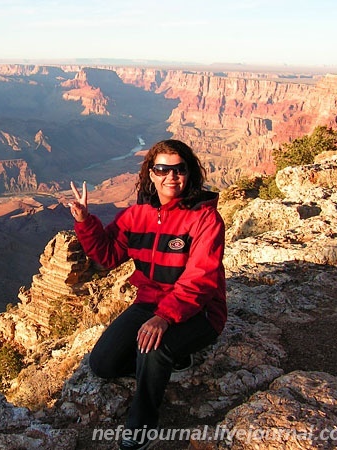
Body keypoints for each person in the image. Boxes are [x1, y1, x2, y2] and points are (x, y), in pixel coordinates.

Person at [68, 139, 227, 450]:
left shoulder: (205, 218)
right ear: (151, 175)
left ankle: (143, 424)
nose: (171, 176)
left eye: (179, 169)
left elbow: (201, 279)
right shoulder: (137, 215)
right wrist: (85, 222)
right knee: (103, 364)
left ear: (189, 173)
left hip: (201, 311)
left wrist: (164, 318)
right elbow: (109, 254)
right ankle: (172, 361)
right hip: (149, 303)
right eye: (162, 169)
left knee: (154, 348)